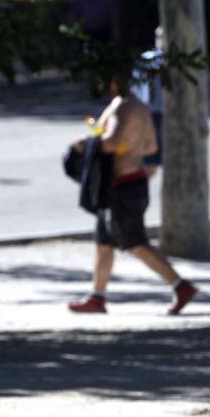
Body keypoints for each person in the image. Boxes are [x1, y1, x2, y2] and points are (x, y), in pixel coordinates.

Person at [68, 74, 197, 314]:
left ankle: (181, 286)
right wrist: (131, 150)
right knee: (104, 242)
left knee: (134, 242)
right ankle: (97, 297)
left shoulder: (121, 106)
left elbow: (111, 143)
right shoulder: (140, 107)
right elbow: (151, 147)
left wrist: (87, 143)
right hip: (132, 180)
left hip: (122, 187)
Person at [130, 26, 165, 167]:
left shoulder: (179, 59)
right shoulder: (147, 59)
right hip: (152, 108)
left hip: (166, 109)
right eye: (160, 38)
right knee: (152, 145)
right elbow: (135, 86)